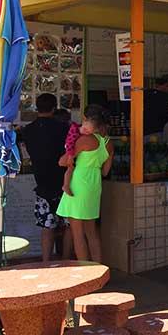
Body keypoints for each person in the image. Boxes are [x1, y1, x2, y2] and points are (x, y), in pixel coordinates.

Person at [57, 104, 114, 263]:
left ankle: (85, 272)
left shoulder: (84, 140)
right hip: (94, 185)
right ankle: (99, 270)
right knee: (92, 232)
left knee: (77, 233)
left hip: (78, 183)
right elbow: (105, 172)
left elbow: (64, 161)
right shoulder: (109, 143)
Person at [20, 94, 72, 262]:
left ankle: (46, 261)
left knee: (47, 226)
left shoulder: (28, 130)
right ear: (54, 108)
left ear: (37, 107)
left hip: (42, 183)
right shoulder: (64, 128)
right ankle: (66, 258)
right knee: (69, 226)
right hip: (65, 184)